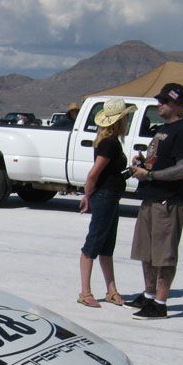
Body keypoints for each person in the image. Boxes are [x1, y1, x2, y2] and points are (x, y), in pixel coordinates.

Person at [125, 82, 183, 320]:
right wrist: (143, 164)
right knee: (146, 251)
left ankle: (160, 302)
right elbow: (158, 160)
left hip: (169, 201)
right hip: (151, 196)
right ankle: (148, 295)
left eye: (164, 101)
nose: (159, 104)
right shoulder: (163, 129)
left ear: (177, 104)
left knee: (164, 254)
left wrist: (151, 175)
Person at [77, 97, 137, 308]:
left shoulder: (110, 142)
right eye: (126, 117)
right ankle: (85, 292)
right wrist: (87, 196)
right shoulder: (110, 144)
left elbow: (113, 175)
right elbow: (94, 174)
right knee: (93, 244)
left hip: (111, 196)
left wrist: (132, 169)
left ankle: (111, 290)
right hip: (104, 197)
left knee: (107, 246)